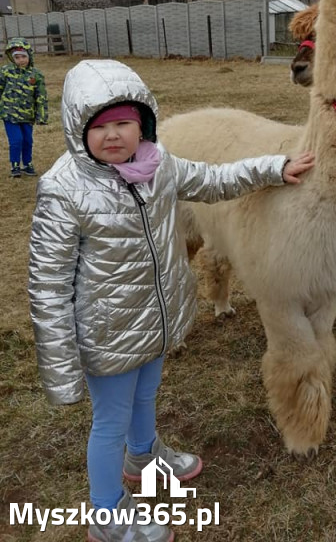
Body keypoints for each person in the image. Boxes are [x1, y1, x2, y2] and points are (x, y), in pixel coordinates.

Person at [28, 59, 314, 542]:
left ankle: (144, 456)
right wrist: (60, 364)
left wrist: (274, 167)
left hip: (155, 320)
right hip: (107, 334)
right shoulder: (64, 190)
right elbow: (48, 283)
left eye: (124, 123)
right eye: (99, 127)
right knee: (109, 421)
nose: (114, 135)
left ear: (144, 124)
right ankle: (107, 512)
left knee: (146, 395)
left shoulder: (158, 166)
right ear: (78, 130)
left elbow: (216, 180)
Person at [0, 37, 48, 178]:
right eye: (17, 57)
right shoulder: (5, 72)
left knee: (27, 140)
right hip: (9, 114)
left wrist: (42, 115)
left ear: (29, 56)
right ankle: (15, 164)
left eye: (23, 57)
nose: (21, 60)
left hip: (27, 115)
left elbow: (41, 96)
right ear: (12, 58)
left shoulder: (36, 75)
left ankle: (27, 163)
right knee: (16, 140)